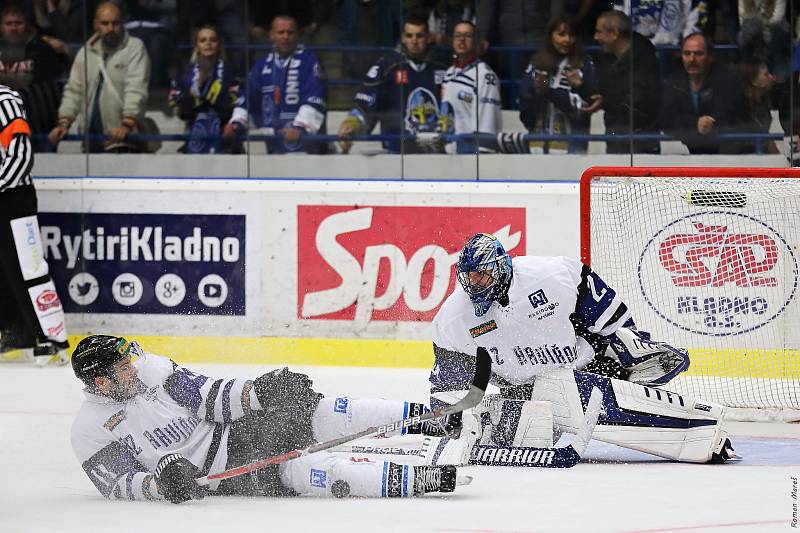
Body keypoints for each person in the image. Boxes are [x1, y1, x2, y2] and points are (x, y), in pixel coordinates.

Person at [428, 233, 739, 465]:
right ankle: (699, 433)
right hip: (521, 389)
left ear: (500, 268)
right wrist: (449, 417)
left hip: (582, 364)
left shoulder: (551, 276)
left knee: (607, 374)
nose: (473, 283)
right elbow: (447, 385)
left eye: (480, 274)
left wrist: (628, 340)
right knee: (518, 424)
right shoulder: (454, 319)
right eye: (468, 276)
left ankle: (704, 433)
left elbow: (607, 312)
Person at [70, 335, 468, 503]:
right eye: (123, 368)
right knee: (311, 472)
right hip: (221, 475)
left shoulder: (153, 370)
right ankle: (423, 480)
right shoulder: (88, 431)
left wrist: (261, 390)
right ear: (101, 381)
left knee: (323, 410)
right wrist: (161, 485)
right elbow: (118, 485)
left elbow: (210, 396)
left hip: (239, 432)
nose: (134, 370)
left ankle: (428, 418)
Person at [0, 83, 68, 366]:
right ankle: (17, 331)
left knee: (28, 269)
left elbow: (21, 156)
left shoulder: (4, 100)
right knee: (3, 271)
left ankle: (51, 337)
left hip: (12, 196)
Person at [48, 2, 151, 153]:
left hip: (123, 139)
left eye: (115, 23)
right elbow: (74, 91)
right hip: (91, 137)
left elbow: (136, 89)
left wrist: (127, 124)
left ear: (122, 24)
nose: (110, 28)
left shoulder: (135, 48)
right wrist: (64, 123)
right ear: (96, 25)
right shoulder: (86, 52)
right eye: (105, 23)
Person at [337, 14, 448, 154]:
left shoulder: (442, 66)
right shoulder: (387, 66)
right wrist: (351, 125)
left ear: (428, 37)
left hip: (436, 152)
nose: (414, 41)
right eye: (409, 36)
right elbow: (364, 102)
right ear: (402, 37)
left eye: (419, 36)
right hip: (396, 152)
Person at [223, 15, 328, 155]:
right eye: (281, 32)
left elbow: (315, 98)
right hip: (273, 148)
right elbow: (248, 101)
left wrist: (299, 128)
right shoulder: (261, 65)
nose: (285, 37)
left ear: (297, 35)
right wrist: (236, 123)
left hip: (306, 148)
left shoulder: (310, 61)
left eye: (290, 33)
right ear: (271, 35)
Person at [518, 15, 599, 154]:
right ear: (550, 36)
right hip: (538, 146)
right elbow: (525, 110)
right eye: (561, 34)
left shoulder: (584, 63)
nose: (566, 40)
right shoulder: (536, 62)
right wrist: (537, 92)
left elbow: (586, 107)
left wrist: (576, 87)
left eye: (571, 35)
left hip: (573, 147)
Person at [660, 33, 750, 154]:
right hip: (687, 152)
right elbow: (666, 120)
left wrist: (705, 126)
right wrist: (695, 124)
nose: (692, 59)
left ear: (710, 56)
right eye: (687, 54)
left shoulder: (727, 79)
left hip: (727, 153)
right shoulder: (674, 81)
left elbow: (727, 118)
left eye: (698, 54)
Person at [0, 6, 69, 152]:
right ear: (1, 27)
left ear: (28, 26)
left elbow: (51, 87)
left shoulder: (43, 50)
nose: (13, 28)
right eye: (9, 23)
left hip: (36, 124)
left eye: (18, 23)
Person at [592, 10, 661, 154]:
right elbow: (601, 91)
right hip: (613, 135)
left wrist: (609, 101)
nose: (595, 37)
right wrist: (580, 85)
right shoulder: (606, 59)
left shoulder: (645, 58)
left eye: (599, 32)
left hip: (640, 139)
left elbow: (643, 100)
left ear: (614, 33)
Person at [170, 25, 240, 154]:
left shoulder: (230, 71)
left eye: (212, 40)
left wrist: (207, 90)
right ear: (196, 46)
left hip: (223, 134)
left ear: (219, 44)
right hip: (194, 133)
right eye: (203, 40)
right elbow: (177, 105)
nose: (208, 43)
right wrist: (199, 86)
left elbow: (233, 103)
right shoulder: (186, 72)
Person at [438, 20, 501, 154]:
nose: (462, 39)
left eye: (468, 36)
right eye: (457, 35)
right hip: (448, 151)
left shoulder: (485, 75)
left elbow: (487, 121)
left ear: (476, 41)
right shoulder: (449, 73)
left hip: (471, 152)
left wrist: (483, 154)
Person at [736, 55, 779, 154]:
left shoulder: (765, 101)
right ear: (754, 81)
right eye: (766, 74)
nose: (771, 77)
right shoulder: (740, 107)